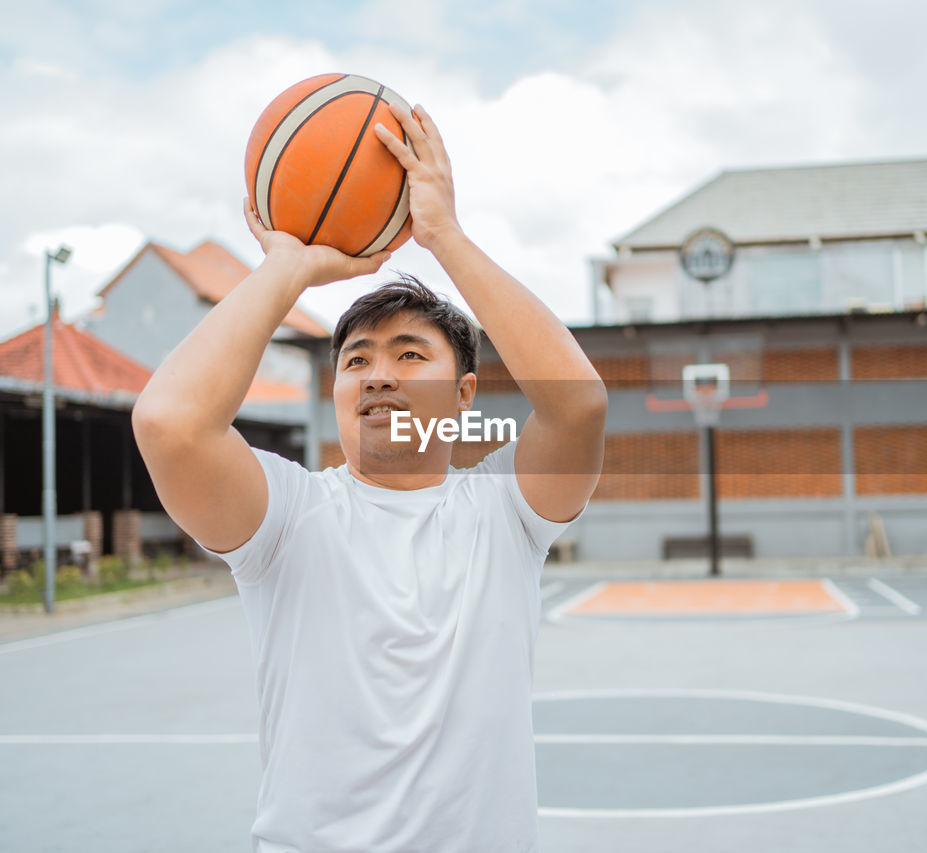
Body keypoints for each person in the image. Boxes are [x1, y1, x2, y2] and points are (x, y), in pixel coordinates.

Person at [132, 101, 607, 852]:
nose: (380, 375)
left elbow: (577, 407)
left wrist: (444, 236)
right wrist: (287, 267)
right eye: (357, 360)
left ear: (463, 396)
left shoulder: (503, 513)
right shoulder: (287, 518)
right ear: (337, 391)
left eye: (411, 355)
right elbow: (169, 423)